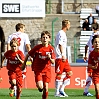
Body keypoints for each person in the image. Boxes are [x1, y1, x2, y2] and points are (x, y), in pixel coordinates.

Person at [22, 31, 56, 99]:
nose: (45, 39)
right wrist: (23, 64)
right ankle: (39, 86)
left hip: (47, 70)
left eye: (46, 37)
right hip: (38, 70)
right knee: (41, 87)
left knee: (46, 88)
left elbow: (53, 62)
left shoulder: (51, 49)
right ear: (41, 39)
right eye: (43, 37)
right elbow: (28, 54)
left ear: (49, 39)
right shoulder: (37, 48)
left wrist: (49, 58)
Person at [7, 23, 31, 96]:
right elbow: (27, 46)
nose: (24, 30)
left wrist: (9, 55)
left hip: (12, 57)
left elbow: (8, 46)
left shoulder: (11, 36)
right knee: (22, 74)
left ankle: (14, 87)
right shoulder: (24, 35)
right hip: (21, 57)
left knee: (16, 74)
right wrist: (31, 56)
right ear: (20, 28)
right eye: (23, 28)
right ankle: (15, 88)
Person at [54, 19, 73, 97]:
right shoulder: (61, 33)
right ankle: (57, 92)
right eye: (69, 24)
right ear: (66, 25)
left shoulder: (62, 33)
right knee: (59, 74)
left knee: (69, 73)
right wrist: (62, 54)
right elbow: (60, 44)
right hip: (60, 57)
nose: (70, 26)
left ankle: (62, 89)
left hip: (63, 58)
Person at [83, 27, 99, 96]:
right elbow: (86, 46)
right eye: (95, 42)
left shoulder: (94, 36)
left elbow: (86, 46)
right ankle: (86, 90)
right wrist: (86, 55)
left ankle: (86, 90)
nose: (97, 43)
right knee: (90, 75)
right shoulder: (92, 37)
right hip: (94, 68)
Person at [88, 35, 99, 99]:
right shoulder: (91, 54)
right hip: (96, 74)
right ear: (92, 44)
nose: (97, 43)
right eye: (95, 42)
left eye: (98, 42)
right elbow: (89, 65)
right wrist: (93, 67)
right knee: (97, 90)